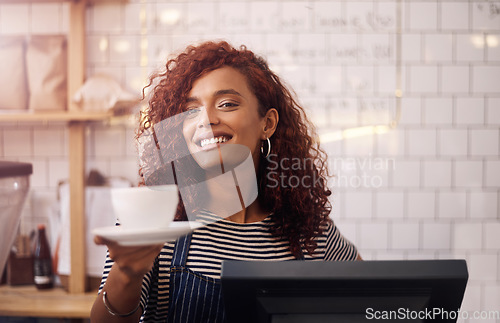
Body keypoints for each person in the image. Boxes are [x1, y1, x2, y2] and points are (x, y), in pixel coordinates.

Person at [90, 40, 360, 323]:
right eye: (191, 110)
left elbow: (372, 301)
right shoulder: (152, 221)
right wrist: (126, 275)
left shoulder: (311, 232)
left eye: (227, 104)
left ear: (267, 124)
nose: (206, 119)